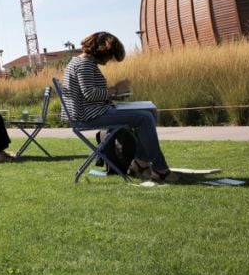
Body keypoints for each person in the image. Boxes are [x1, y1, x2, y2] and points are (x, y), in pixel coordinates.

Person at [60, 31, 179, 184]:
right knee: (144, 117)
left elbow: (89, 94)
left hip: (91, 112)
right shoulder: (85, 65)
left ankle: (140, 164)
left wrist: (115, 95)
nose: (109, 60)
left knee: (149, 110)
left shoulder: (79, 62)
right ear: (102, 51)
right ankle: (160, 170)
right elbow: (90, 94)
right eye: (110, 56)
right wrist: (116, 89)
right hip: (89, 116)